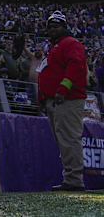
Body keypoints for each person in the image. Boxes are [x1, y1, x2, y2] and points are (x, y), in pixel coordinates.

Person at [38, 10, 88, 191]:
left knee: (69, 139)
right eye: (50, 26)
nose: (52, 30)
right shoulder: (54, 47)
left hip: (67, 99)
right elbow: (45, 74)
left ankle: (74, 181)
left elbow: (75, 67)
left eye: (56, 26)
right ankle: (70, 179)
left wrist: (62, 89)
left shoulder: (71, 43)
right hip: (54, 101)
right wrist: (42, 99)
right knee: (63, 141)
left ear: (64, 27)